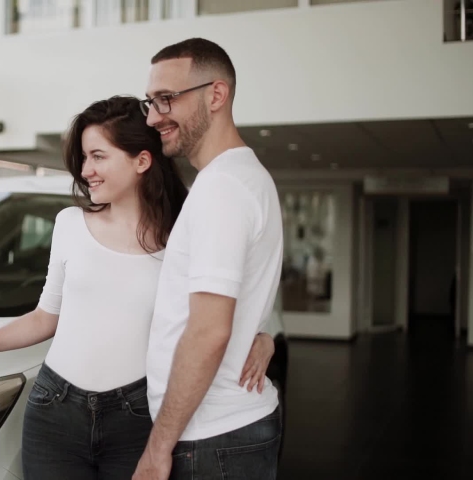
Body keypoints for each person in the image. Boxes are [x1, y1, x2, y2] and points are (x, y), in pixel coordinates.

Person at [0, 95, 277, 479]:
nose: (86, 169)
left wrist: (260, 334)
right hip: (55, 411)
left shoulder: (181, 239)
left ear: (142, 160)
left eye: (98, 156)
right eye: (84, 158)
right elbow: (43, 319)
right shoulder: (69, 224)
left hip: (139, 417)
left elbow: (217, 311)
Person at [133, 38, 285, 480]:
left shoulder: (223, 189)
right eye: (150, 101)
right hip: (229, 431)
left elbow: (208, 331)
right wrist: (262, 331)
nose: (153, 116)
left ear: (216, 95)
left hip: (211, 438)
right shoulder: (243, 177)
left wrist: (157, 450)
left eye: (167, 99)